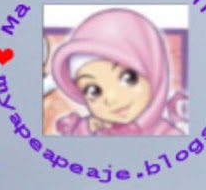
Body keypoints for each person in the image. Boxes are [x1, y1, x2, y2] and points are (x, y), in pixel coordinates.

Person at [48, 7, 188, 136]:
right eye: (93, 91)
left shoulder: (168, 135)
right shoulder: (90, 130)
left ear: (154, 72)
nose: (111, 98)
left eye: (129, 78)